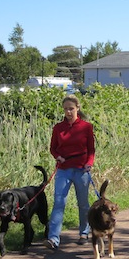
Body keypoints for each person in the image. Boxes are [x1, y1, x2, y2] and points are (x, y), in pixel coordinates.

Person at [45, 94, 95, 250]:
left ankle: (84, 233)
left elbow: (91, 149)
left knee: (83, 204)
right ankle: (53, 239)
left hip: (81, 169)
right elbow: (52, 148)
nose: (68, 112)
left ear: (77, 108)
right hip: (64, 169)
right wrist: (57, 156)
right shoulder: (58, 128)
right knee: (59, 203)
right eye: (66, 109)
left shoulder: (86, 127)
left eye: (71, 109)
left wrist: (89, 163)